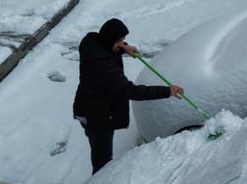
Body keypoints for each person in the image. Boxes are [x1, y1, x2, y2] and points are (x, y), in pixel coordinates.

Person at [73, 18, 184, 174]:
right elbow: (131, 91)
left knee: (102, 152)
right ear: (109, 39)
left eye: (123, 40)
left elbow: (109, 45)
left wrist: (124, 48)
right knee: (102, 160)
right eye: (119, 41)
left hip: (93, 106)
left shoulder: (92, 43)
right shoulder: (103, 67)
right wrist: (168, 91)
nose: (122, 43)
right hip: (95, 115)